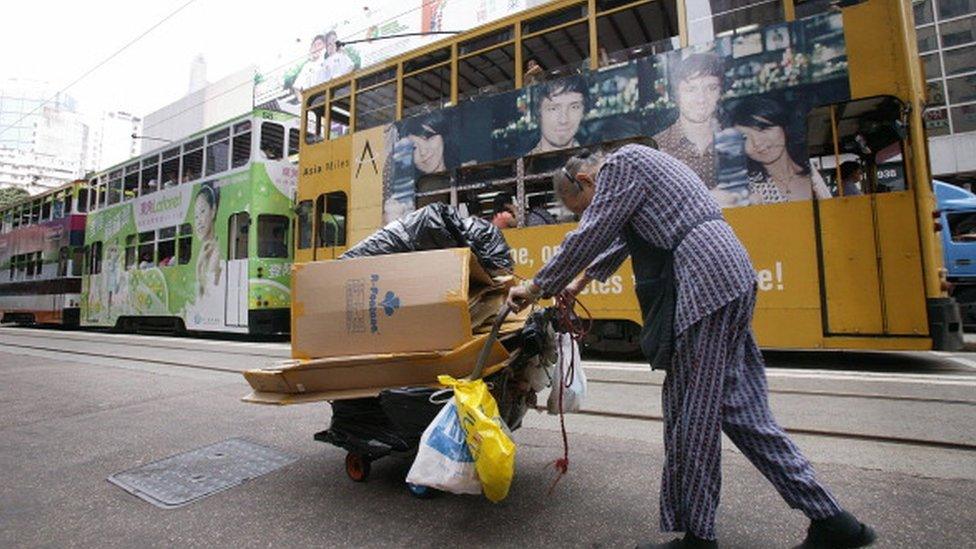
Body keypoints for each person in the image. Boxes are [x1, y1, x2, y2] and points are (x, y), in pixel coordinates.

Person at [506, 144, 876, 549]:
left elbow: (594, 231)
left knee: (692, 414)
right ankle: (833, 521)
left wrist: (536, 285)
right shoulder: (638, 167)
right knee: (739, 410)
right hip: (726, 274)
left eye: (583, 206)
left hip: (706, 282)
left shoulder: (619, 165)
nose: (587, 213)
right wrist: (582, 279)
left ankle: (700, 538)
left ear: (586, 180)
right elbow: (621, 238)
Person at [730, 96, 831, 204]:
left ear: (783, 126)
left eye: (762, 129)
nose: (757, 143)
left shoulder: (813, 172)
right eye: (744, 138)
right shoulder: (746, 190)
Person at [654, 53, 724, 190]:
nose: (701, 99)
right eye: (691, 89)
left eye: (711, 88)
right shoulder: (656, 148)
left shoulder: (735, 140)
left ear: (720, 92)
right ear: (676, 95)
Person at [528, 76, 589, 155]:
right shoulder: (521, 165)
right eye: (553, 108)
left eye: (574, 107)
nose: (563, 120)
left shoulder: (598, 160)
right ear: (538, 112)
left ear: (583, 112)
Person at [193, 183, 221, 297]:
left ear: (213, 210)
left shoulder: (216, 252)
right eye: (195, 216)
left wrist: (199, 266)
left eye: (202, 211)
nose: (198, 221)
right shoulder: (205, 251)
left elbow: (207, 299)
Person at [291, 33, 328, 99]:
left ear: (325, 47)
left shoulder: (328, 61)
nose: (316, 47)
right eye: (314, 45)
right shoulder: (307, 66)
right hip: (312, 101)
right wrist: (302, 102)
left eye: (319, 44)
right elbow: (296, 86)